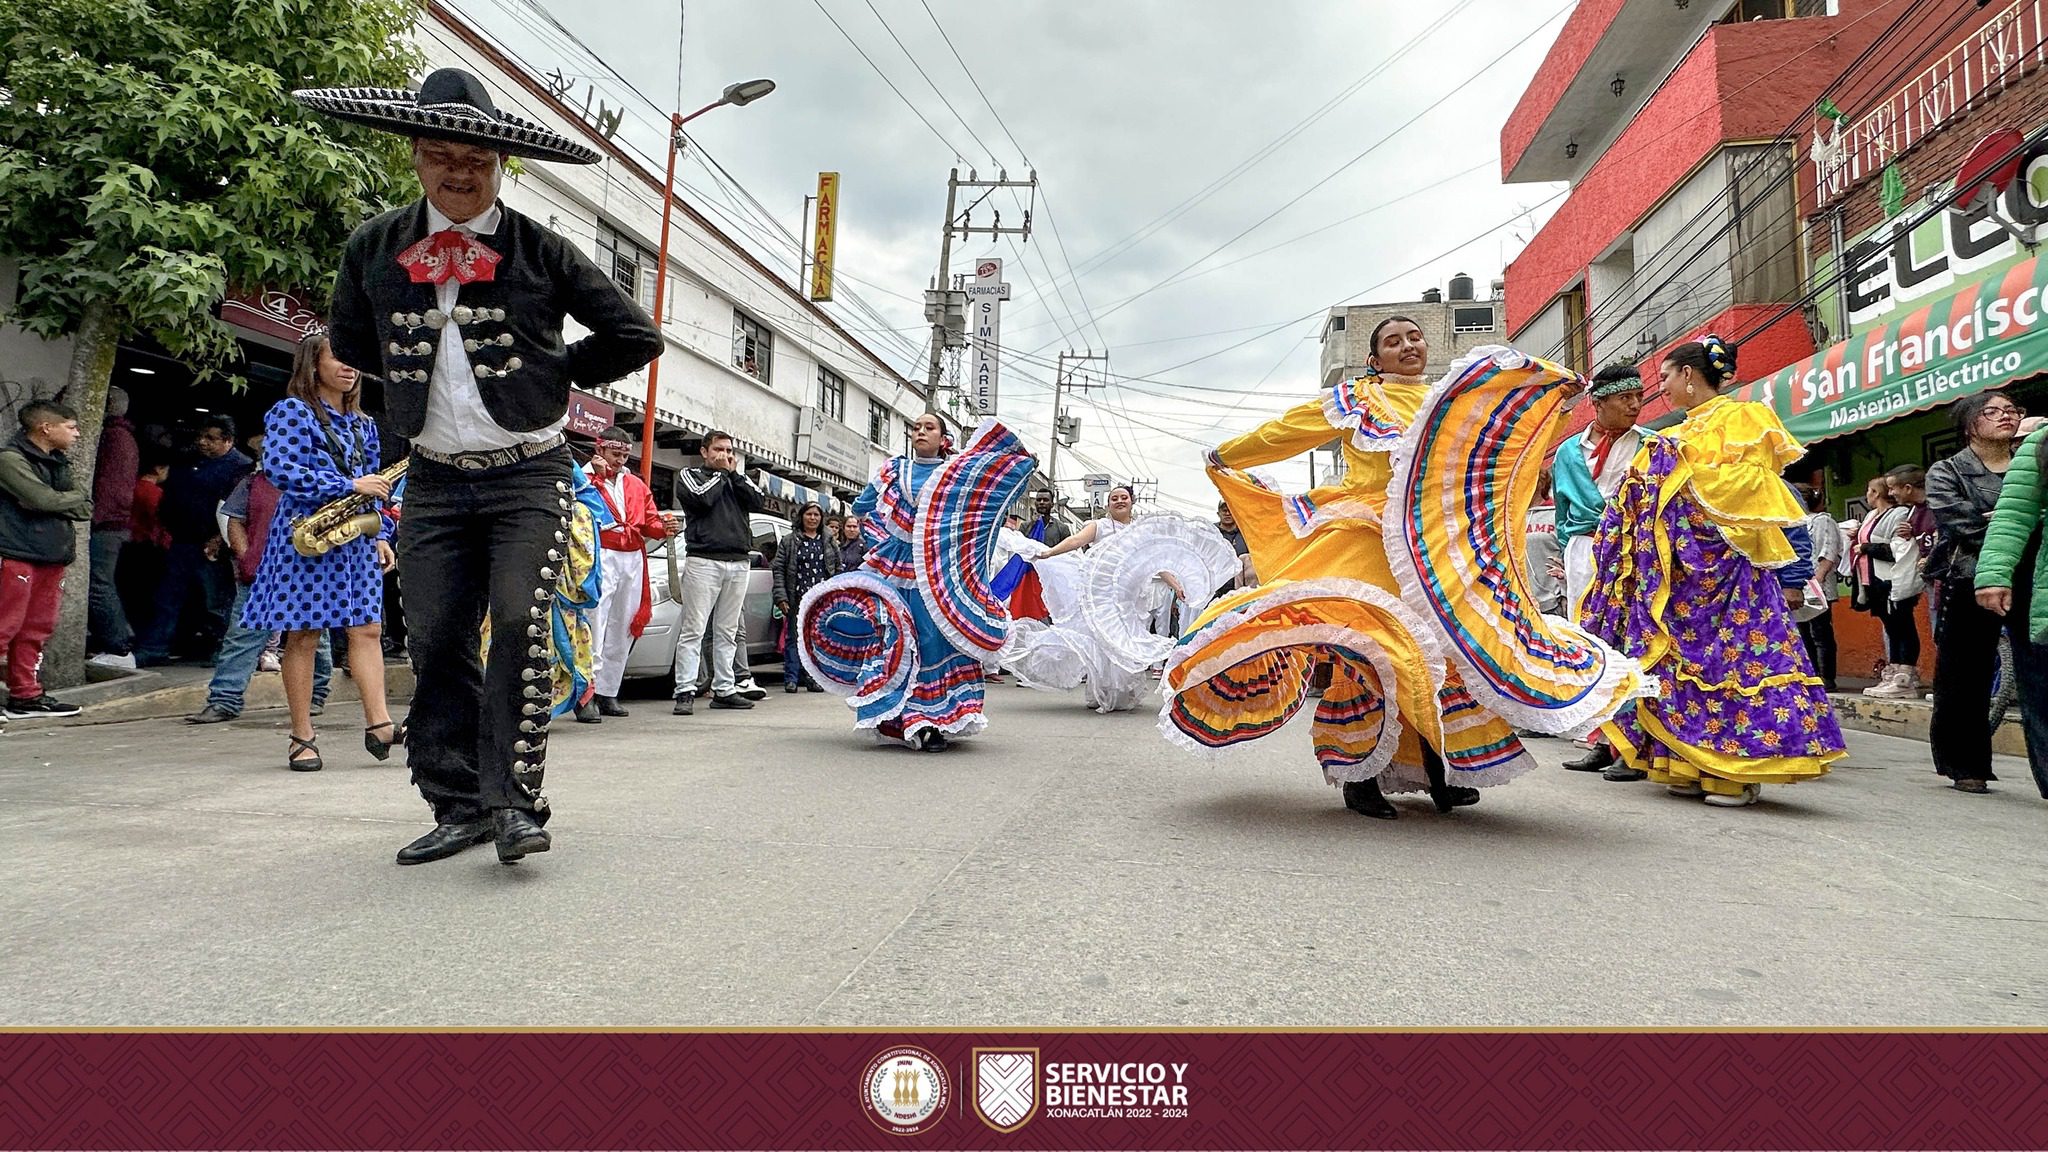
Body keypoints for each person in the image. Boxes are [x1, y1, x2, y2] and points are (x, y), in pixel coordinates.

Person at [299, 66, 660, 865]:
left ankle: (515, 804)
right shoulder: (375, 245)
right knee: (434, 639)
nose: (459, 173)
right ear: (418, 157)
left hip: (528, 474)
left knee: (523, 628)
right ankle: (456, 803)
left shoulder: (540, 246)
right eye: (440, 155)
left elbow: (635, 335)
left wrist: (549, 371)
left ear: (501, 163)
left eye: (477, 159)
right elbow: (352, 342)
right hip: (431, 477)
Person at [1163, 322, 1641, 820]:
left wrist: (1547, 392)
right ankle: (1359, 775)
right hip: (1368, 534)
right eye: (1393, 342)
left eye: (1414, 337)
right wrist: (1225, 456)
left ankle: (1440, 773)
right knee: (1375, 651)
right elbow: (1285, 432)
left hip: (1432, 543)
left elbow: (1501, 442)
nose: (1408, 345)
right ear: (1375, 360)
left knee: (1441, 653)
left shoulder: (1447, 402)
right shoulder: (1354, 399)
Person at [1580, 336, 1845, 808]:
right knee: (1678, 667)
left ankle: (1733, 774)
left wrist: (1671, 471)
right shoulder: (1673, 435)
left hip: (1727, 576)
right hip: (1678, 579)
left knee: (1732, 664)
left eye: (1663, 377)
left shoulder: (1742, 418)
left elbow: (1748, 493)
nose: (1658, 388)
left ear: (1687, 375)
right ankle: (1685, 765)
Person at [797, 414, 1034, 751]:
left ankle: (934, 720)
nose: (921, 432)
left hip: (938, 568)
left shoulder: (956, 474)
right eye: (916, 427)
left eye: (929, 427)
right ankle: (900, 717)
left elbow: (991, 500)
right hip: (897, 565)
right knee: (894, 637)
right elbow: (862, 506)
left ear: (943, 437)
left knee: (934, 639)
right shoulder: (894, 470)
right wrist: (884, 527)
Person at [239, 332, 398, 772]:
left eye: (355, 363)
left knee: (367, 631)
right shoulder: (292, 411)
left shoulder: (364, 424)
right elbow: (282, 470)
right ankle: (301, 735)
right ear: (313, 364)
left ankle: (380, 724)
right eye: (340, 359)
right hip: (305, 537)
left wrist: (381, 531)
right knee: (304, 636)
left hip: (357, 540)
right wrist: (348, 486)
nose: (350, 368)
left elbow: (375, 489)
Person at [1008, 485, 1234, 714]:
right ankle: (1102, 692)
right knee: (1105, 644)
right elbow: (1075, 541)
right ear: (1108, 504)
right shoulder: (1099, 526)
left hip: (1131, 599)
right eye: (1114, 498)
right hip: (1103, 599)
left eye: (1123, 497)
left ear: (1131, 501)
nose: (1119, 501)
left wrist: (1176, 585)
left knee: (1127, 644)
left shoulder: (1140, 530)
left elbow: (1156, 563)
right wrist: (1049, 553)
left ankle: (1124, 692)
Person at [1925, 393, 2032, 794]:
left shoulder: (2031, 461)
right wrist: (2016, 524)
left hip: (2033, 576)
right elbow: (1962, 524)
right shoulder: (1948, 471)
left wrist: (2003, 518)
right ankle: (1965, 764)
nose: (2006, 417)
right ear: (1971, 424)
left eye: (2011, 410)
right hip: (1971, 578)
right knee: (1964, 674)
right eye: (1993, 412)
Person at [1550, 362, 1646, 777]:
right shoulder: (1568, 451)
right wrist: (1569, 549)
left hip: (1632, 551)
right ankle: (1602, 740)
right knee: (1589, 645)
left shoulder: (1650, 446)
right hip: (1583, 551)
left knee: (1629, 643)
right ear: (1598, 402)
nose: (1635, 405)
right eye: (1626, 398)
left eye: (1639, 397)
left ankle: (1634, 746)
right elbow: (1561, 509)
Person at [186, 461, 334, 725]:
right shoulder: (253, 482)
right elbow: (235, 521)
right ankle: (224, 700)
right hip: (260, 572)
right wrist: (247, 557)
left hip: (308, 572)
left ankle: (315, 694)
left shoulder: (320, 480)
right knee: (242, 636)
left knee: (313, 639)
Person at [133, 414, 251, 665]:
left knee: (216, 602)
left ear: (227, 441)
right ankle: (155, 647)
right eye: (201, 436)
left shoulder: (242, 467)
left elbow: (240, 511)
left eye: (211, 438)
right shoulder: (190, 460)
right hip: (182, 538)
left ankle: (222, 651)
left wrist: (220, 538)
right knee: (168, 596)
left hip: (215, 544)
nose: (203, 442)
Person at [0, 399, 91, 719]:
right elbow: (40, 498)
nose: (77, 433)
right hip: (15, 554)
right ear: (46, 427)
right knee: (4, 627)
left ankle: (25, 696)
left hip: (51, 556)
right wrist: (51, 501)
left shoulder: (58, 461)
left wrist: (52, 502)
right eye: (71, 427)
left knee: (36, 628)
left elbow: (84, 507)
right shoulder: (9, 459)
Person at [1973, 417, 2048, 797]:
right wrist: (1992, 576)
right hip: (2041, 592)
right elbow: (2011, 518)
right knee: (2042, 688)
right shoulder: (2040, 446)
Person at [669, 429, 764, 715]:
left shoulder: (737, 478)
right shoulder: (690, 476)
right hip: (703, 561)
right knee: (694, 629)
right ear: (704, 452)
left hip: (738, 561)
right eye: (718, 450)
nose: (724, 455)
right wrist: (722, 474)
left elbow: (757, 501)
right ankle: (685, 689)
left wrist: (734, 475)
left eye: (728, 450)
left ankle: (725, 688)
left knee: (728, 630)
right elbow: (702, 499)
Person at [584, 426, 674, 718]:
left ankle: (608, 691)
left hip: (632, 556)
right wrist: (597, 477)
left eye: (624, 454)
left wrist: (665, 528)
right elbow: (580, 507)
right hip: (600, 553)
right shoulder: (584, 478)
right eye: (614, 454)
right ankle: (585, 695)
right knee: (594, 622)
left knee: (622, 626)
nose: (620, 460)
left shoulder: (635, 484)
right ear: (600, 450)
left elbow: (649, 521)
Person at [1864, 465, 1932, 698]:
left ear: (1908, 487)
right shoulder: (1913, 513)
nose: (1891, 493)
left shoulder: (1912, 511)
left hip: (1903, 577)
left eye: (1892, 488)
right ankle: (1896, 674)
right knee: (1894, 628)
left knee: (1904, 626)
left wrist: (1866, 547)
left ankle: (1906, 677)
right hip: (1888, 579)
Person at [87, 385, 139, 670]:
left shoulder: (115, 438)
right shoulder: (119, 436)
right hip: (110, 520)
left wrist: (93, 520)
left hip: (107, 523)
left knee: (99, 583)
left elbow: (112, 487)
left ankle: (118, 645)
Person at [771, 501, 839, 692]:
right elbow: (778, 569)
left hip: (821, 600)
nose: (812, 518)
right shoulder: (789, 540)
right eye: (809, 514)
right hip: (797, 598)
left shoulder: (828, 541)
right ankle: (791, 679)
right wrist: (781, 597)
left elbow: (837, 569)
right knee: (794, 638)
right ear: (801, 516)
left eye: (816, 515)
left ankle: (812, 678)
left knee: (816, 640)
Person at [1795, 484, 1843, 693]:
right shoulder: (1794, 522)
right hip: (1799, 586)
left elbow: (1828, 552)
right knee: (1803, 632)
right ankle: (1810, 673)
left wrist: (1817, 580)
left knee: (1820, 632)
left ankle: (1826, 676)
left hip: (1816, 585)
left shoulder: (1822, 521)